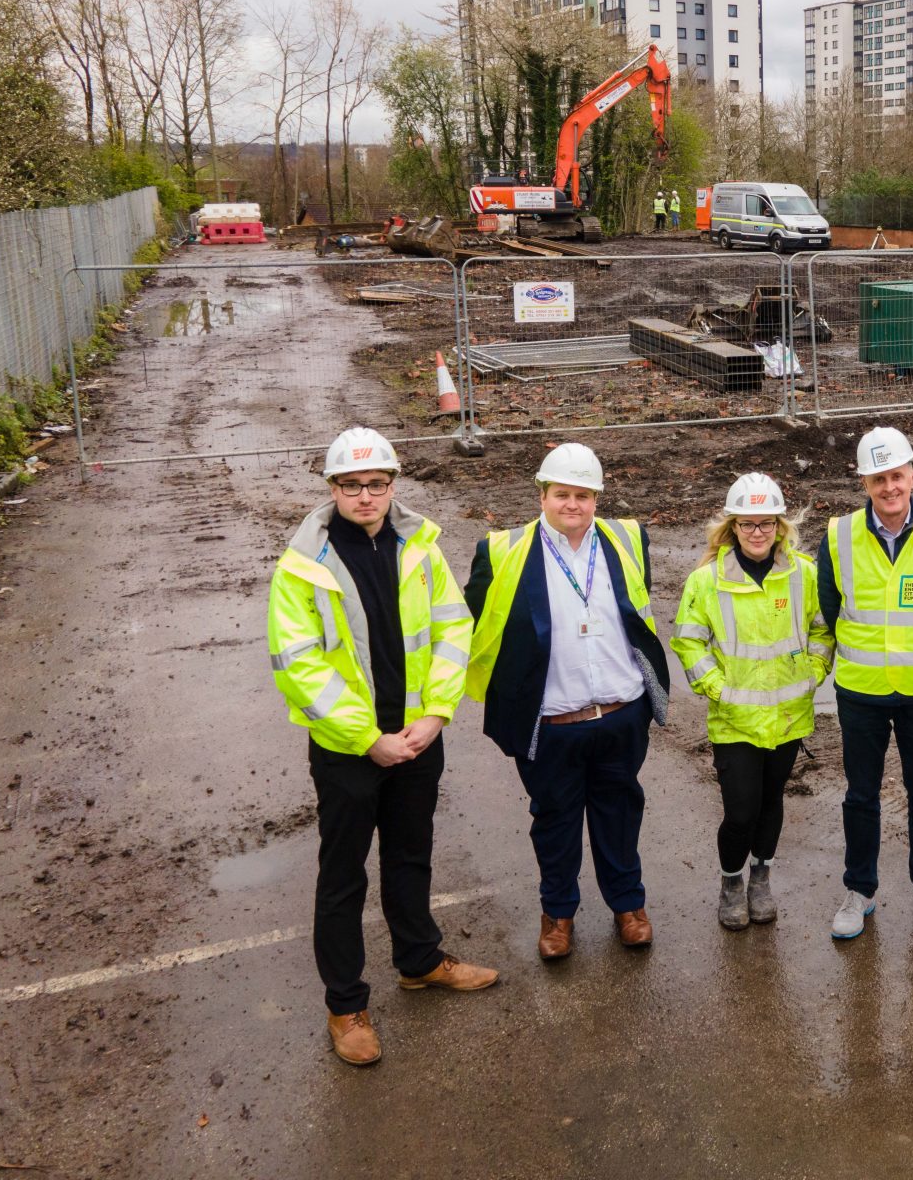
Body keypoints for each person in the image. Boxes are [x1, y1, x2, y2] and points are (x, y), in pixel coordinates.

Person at [266, 427, 497, 1067]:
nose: (365, 496)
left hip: (418, 739)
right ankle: (346, 1005)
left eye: (376, 485)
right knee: (342, 877)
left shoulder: (419, 545)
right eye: (351, 486)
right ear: (332, 489)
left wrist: (436, 715)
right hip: (349, 752)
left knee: (411, 855)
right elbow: (299, 665)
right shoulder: (302, 565)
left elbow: (454, 627)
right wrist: (368, 740)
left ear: (392, 485)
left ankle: (420, 961)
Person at [464, 442, 670, 961]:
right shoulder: (501, 551)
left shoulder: (628, 539)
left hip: (621, 715)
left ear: (597, 498)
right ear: (542, 494)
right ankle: (558, 914)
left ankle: (628, 906)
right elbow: (467, 627)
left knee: (620, 814)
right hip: (551, 723)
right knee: (554, 821)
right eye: (562, 494)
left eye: (582, 494)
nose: (572, 504)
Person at [817, 426, 913, 945]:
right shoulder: (838, 536)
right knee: (861, 796)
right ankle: (859, 891)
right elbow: (828, 605)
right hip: (859, 691)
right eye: (879, 478)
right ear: (864, 481)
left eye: (897, 475)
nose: (890, 487)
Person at [673, 473, 833, 930]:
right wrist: (716, 688)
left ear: (780, 526)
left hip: (788, 715)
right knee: (740, 811)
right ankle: (731, 883)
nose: (757, 532)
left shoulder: (804, 574)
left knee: (771, 804)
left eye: (766, 523)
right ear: (733, 527)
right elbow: (688, 641)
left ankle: (760, 878)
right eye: (748, 524)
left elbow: (824, 629)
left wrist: (815, 671)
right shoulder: (706, 582)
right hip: (735, 718)